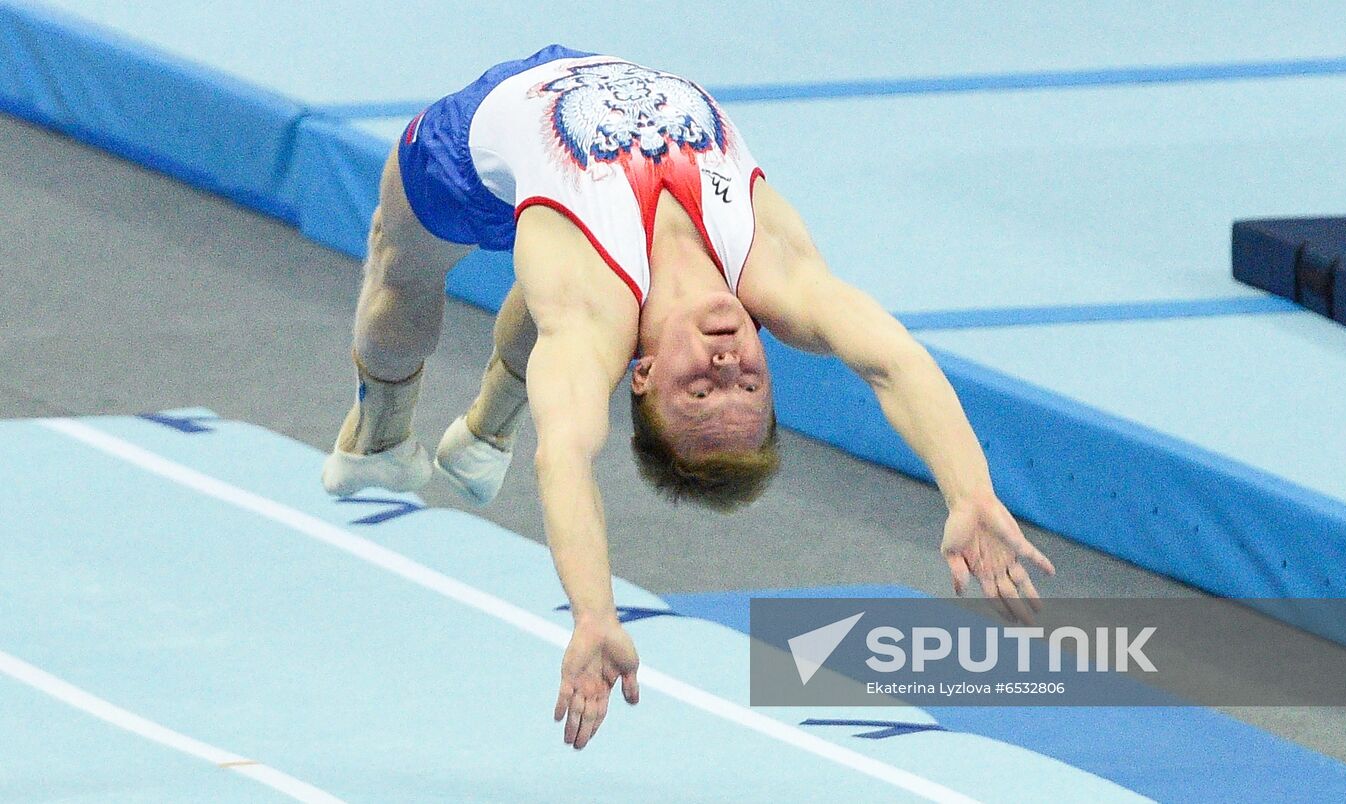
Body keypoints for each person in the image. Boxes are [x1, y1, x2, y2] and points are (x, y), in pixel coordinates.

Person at [321, 45, 1055, 750]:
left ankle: (379, 436)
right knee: (552, 308)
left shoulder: (594, 315)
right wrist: (969, 493)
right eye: (749, 378)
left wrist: (594, 614)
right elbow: (895, 363)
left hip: (478, 142)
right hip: (593, 76)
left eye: (700, 385)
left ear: (640, 375)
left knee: (402, 265)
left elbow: (567, 460)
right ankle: (481, 436)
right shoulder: (776, 274)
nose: (728, 356)